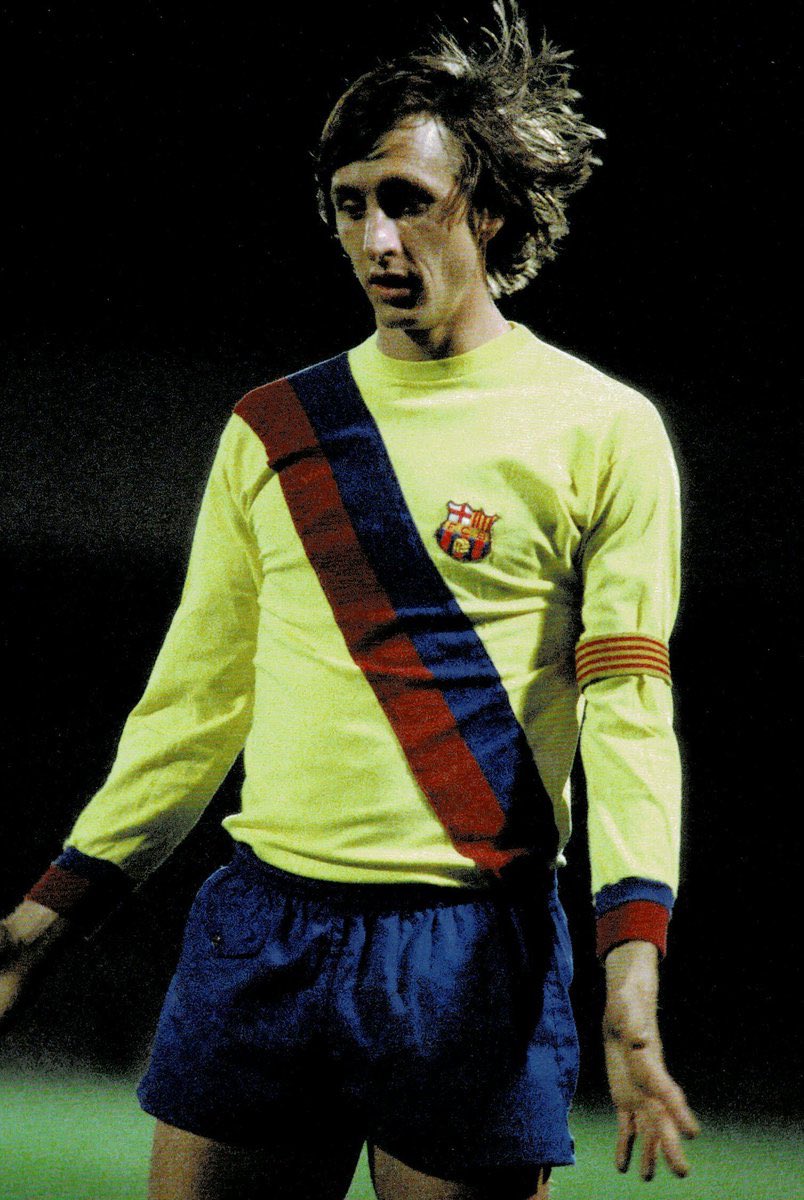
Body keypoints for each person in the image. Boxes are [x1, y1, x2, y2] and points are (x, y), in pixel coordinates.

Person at [0, 3, 699, 1197]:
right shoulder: (273, 428)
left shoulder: (602, 429)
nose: (377, 237)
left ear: (488, 208)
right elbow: (193, 709)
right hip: (264, 931)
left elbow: (629, 716)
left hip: (467, 946)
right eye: (349, 203)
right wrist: (38, 925)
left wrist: (630, 970)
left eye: (408, 200)